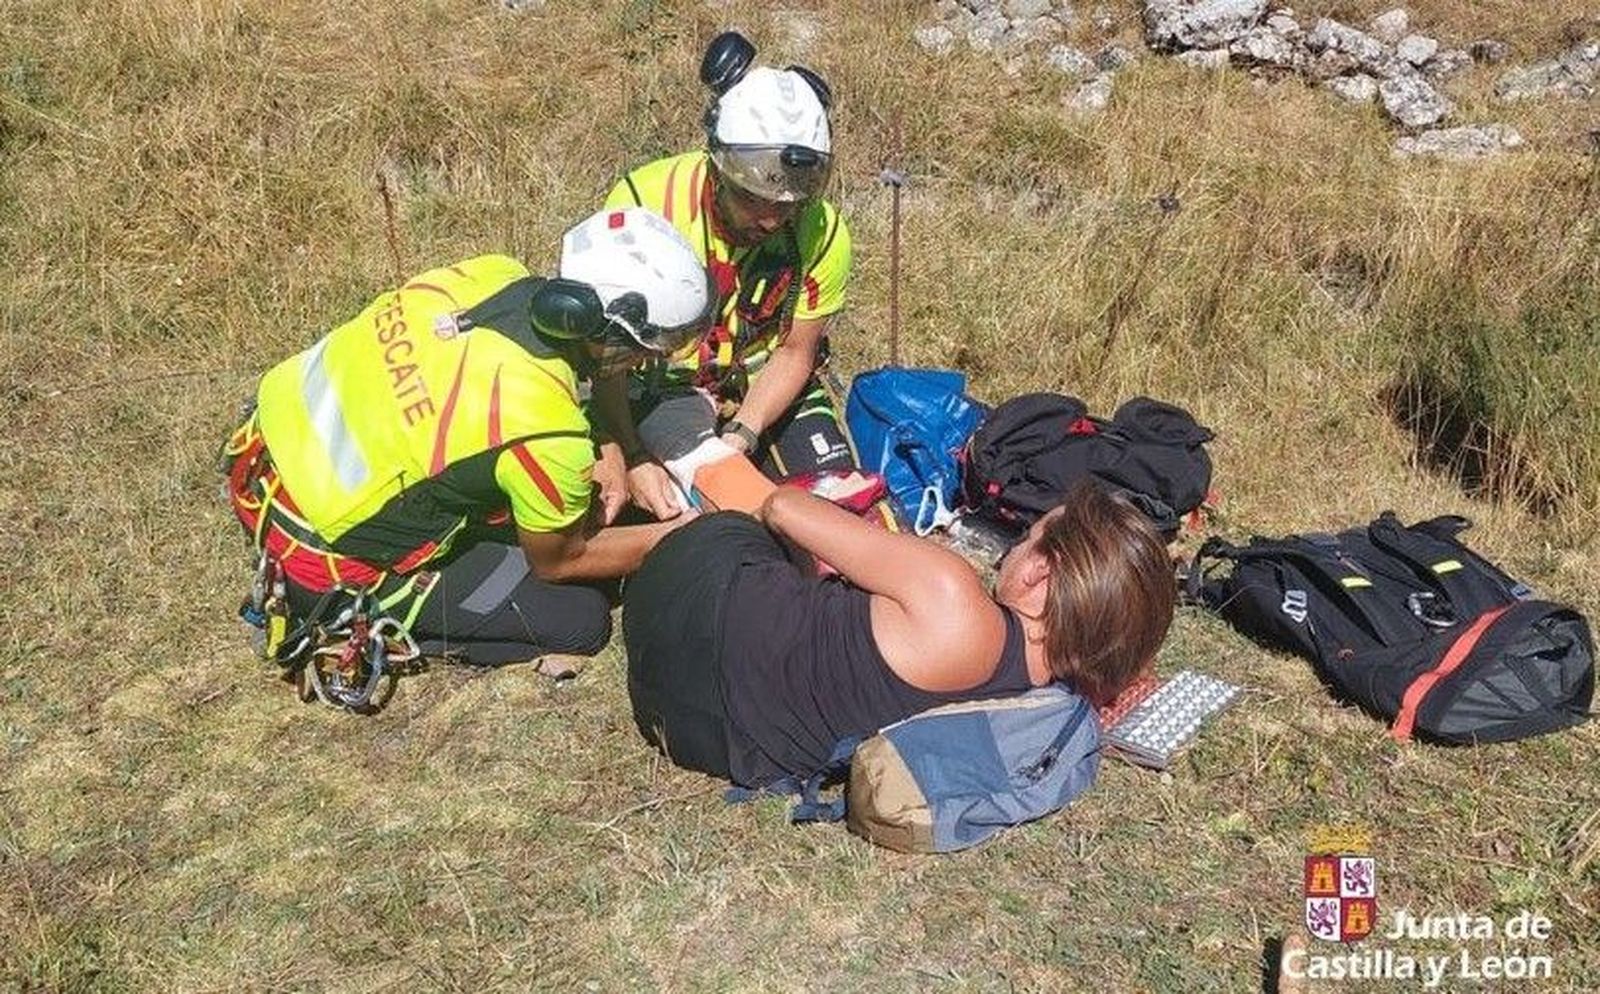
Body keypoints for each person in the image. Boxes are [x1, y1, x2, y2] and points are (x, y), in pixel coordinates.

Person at [224, 207, 711, 670]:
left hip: (259, 458)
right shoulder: (544, 428)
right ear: (592, 324)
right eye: (644, 349)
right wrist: (671, 537)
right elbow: (560, 560)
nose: (647, 363)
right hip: (318, 551)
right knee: (579, 618)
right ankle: (349, 616)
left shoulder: (491, 276)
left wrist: (612, 442)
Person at [622, 480, 1176, 787]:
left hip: (684, 637)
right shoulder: (1050, 692)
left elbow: (784, 508)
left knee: (734, 523)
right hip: (720, 745)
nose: (1012, 552)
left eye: (1027, 539)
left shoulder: (951, 594)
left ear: (1040, 573)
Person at [595, 31, 865, 520]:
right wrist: (629, 453)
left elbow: (794, 350)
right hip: (659, 385)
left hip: (759, 380)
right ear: (717, 166)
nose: (770, 219)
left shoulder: (822, 232)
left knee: (839, 515)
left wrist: (744, 432)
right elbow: (607, 358)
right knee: (692, 528)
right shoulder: (645, 206)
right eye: (750, 198)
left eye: (788, 205)